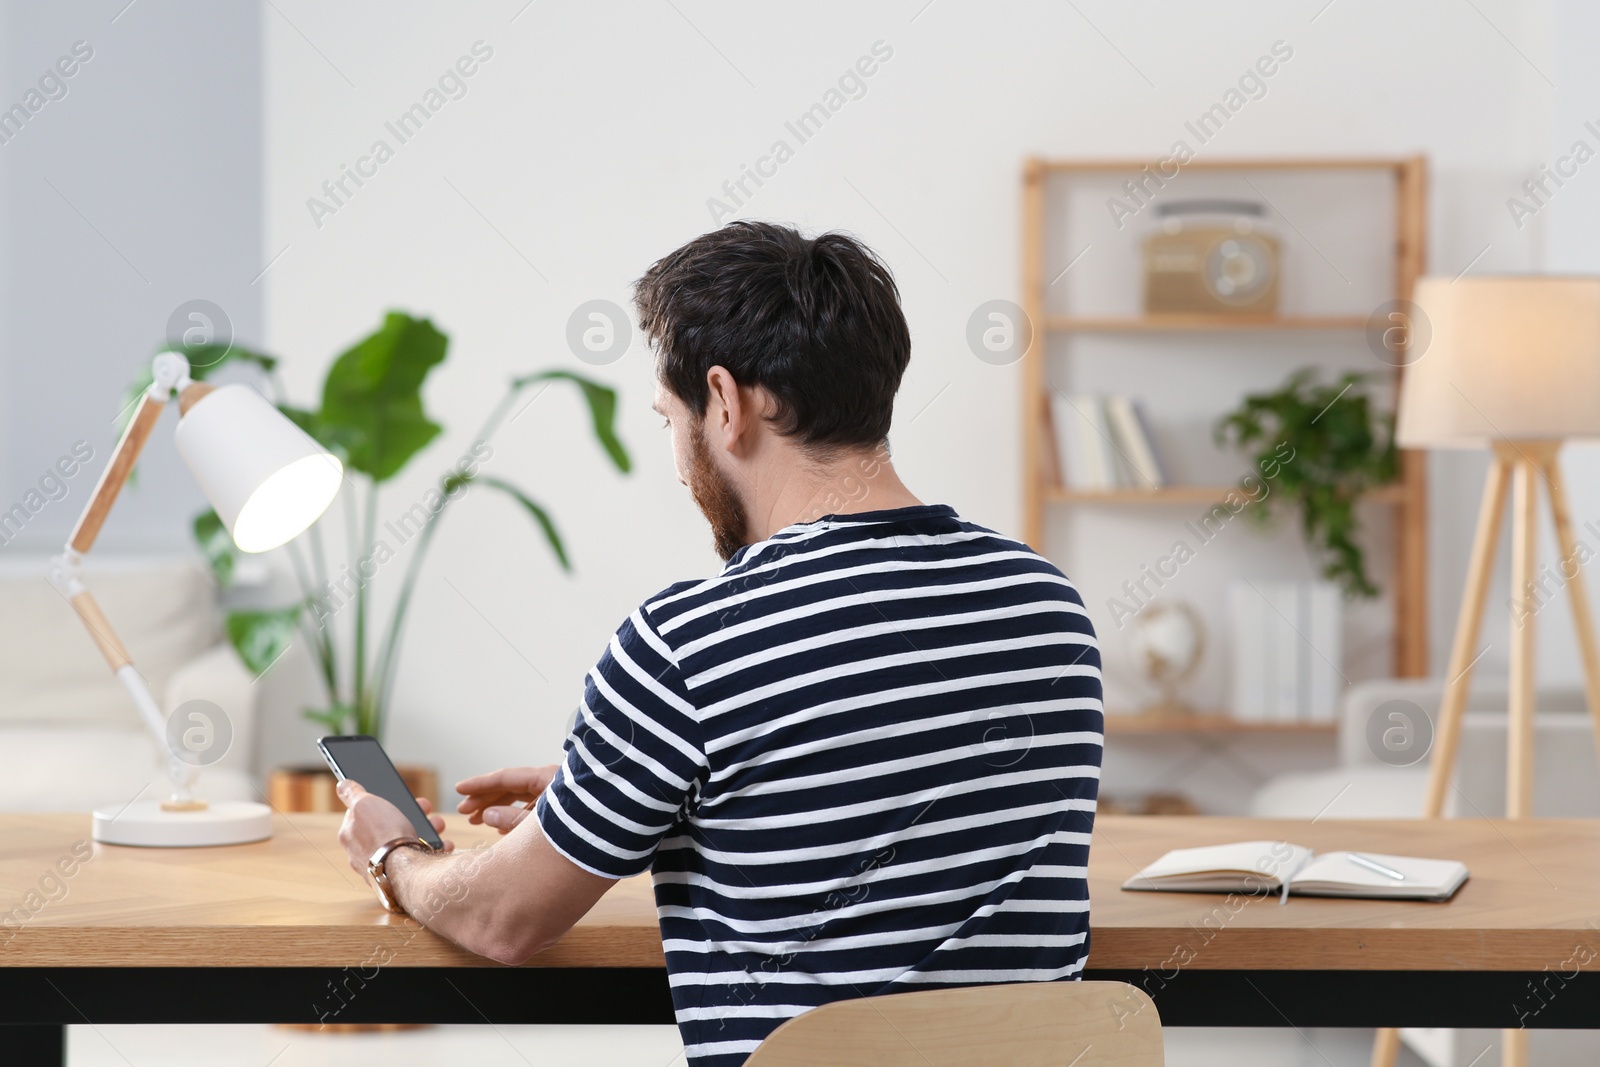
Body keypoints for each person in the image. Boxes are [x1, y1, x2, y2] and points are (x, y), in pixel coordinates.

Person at [336, 220, 1104, 1066]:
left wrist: (392, 853)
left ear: (728, 403)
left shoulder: (689, 643)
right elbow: (896, 790)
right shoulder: (1049, 607)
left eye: (671, 418)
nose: (676, 459)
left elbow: (502, 919)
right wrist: (640, 799)